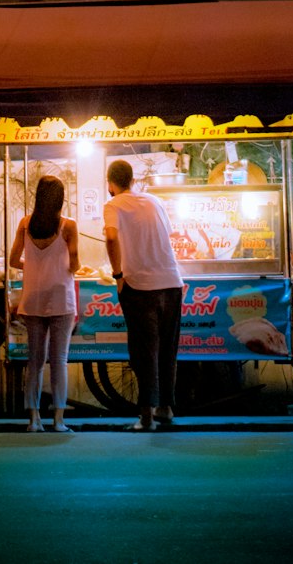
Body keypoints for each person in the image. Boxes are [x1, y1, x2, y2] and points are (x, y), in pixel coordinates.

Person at [103, 157, 183, 431]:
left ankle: (146, 416)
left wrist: (117, 275)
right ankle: (166, 408)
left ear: (110, 183)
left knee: (143, 351)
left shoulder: (112, 205)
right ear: (133, 180)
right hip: (172, 282)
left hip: (140, 286)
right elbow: (167, 236)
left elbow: (111, 238)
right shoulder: (154, 201)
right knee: (167, 348)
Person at [8, 174, 80, 432]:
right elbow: (75, 264)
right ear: (60, 199)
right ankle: (59, 420)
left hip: (33, 299)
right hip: (61, 298)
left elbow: (13, 260)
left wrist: (35, 267)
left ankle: (33, 420)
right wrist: (57, 265)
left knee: (35, 361)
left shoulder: (25, 224)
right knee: (59, 360)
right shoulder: (68, 226)